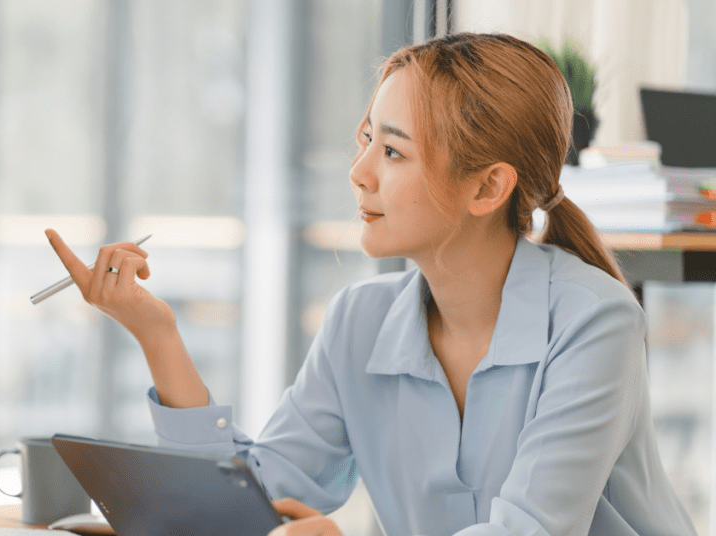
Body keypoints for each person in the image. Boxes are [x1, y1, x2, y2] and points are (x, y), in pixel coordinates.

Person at [46, 32, 696, 536]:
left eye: (392, 151)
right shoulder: (361, 320)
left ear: (488, 187)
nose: (358, 173)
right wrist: (157, 334)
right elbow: (258, 495)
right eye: (365, 141)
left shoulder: (594, 321)